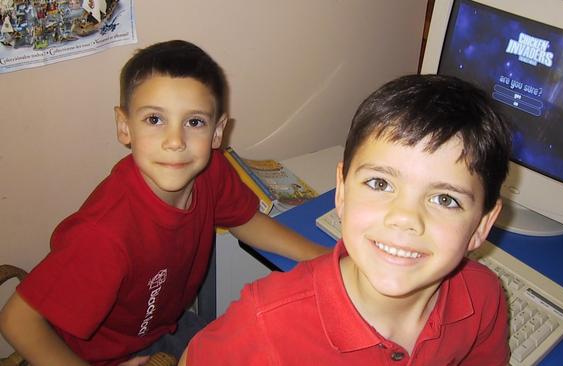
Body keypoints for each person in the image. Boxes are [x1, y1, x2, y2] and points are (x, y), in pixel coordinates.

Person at [0, 40, 328, 366]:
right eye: (155, 120)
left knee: (254, 348)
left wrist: (324, 258)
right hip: (83, 357)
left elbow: (246, 220)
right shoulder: (104, 235)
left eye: (194, 122)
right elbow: (18, 320)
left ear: (217, 132)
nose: (175, 142)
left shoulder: (211, 170)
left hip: (158, 330)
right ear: (124, 126)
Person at [180, 74, 513, 365]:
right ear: (341, 191)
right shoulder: (263, 322)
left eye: (445, 199)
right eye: (380, 183)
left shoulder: (483, 296)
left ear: (482, 225)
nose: (405, 218)